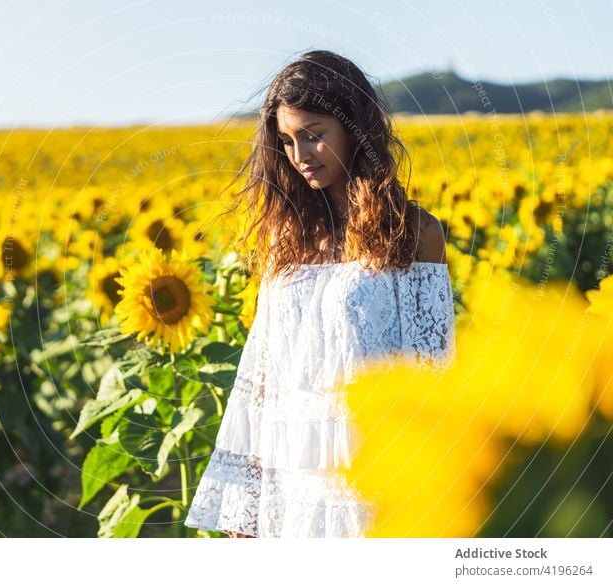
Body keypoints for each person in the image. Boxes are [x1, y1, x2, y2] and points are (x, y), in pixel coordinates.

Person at [184, 50, 456, 538]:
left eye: (314, 135)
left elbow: (432, 376)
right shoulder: (284, 240)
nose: (300, 155)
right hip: (289, 483)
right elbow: (261, 379)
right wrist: (243, 511)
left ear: (355, 129)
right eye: (287, 141)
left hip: (372, 477)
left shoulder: (413, 233)